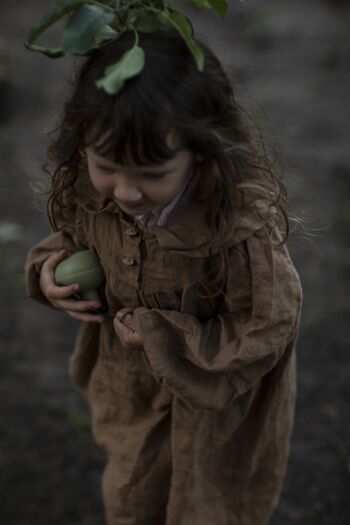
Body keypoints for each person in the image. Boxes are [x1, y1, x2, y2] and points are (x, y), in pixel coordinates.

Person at [25, 27, 303, 525]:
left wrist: (166, 335)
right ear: (83, 144)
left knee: (209, 507)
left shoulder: (237, 230)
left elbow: (269, 325)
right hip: (131, 394)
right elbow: (68, 242)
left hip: (217, 415)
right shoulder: (88, 195)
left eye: (152, 173)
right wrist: (48, 273)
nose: (127, 192)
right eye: (107, 165)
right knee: (132, 496)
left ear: (199, 151)